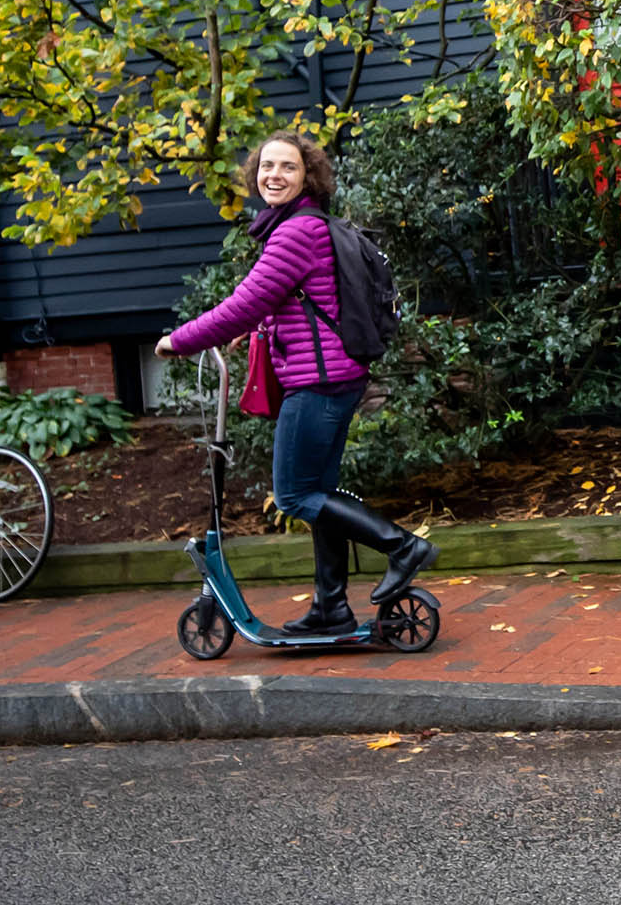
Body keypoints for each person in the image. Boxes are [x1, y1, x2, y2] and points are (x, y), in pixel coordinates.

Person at [156, 131, 437, 633]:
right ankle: (331, 608)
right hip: (336, 378)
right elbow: (296, 299)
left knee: (293, 497)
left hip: (318, 386)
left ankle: (403, 547)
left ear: (307, 177)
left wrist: (179, 341)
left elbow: (245, 301)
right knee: (320, 494)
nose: (275, 175)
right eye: (267, 166)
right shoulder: (302, 225)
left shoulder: (295, 232)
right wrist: (255, 329)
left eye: (288, 166)